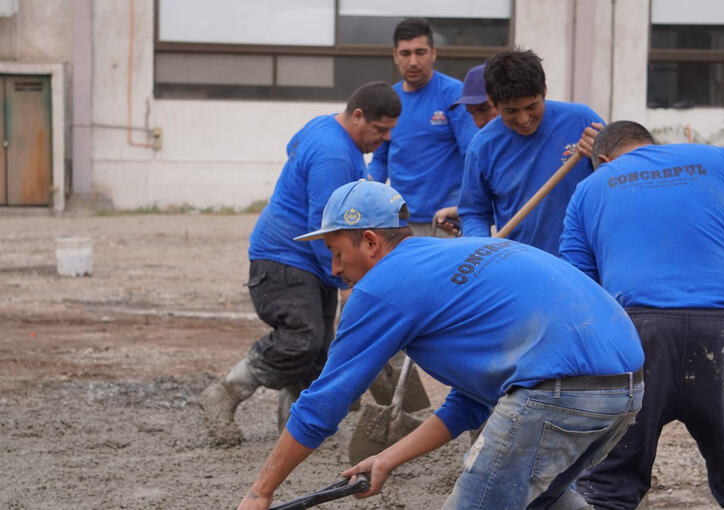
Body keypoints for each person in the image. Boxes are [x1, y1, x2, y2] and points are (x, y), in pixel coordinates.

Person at [237, 179, 645, 509]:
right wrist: (388, 458)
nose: (334, 268)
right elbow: (471, 402)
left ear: (370, 242)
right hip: (625, 389)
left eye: (336, 251)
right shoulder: (446, 258)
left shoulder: (382, 286)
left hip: (559, 393)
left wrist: (260, 492)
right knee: (543, 501)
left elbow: (323, 404)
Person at [559, 121, 724, 510]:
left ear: (605, 160)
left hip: (637, 331)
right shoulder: (722, 159)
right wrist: (713, 280)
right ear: (649, 144)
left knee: (609, 479)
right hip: (723, 328)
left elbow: (580, 289)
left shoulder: (590, 187)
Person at [199, 82, 401, 447]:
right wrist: (347, 282)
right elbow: (324, 228)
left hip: (307, 258)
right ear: (358, 116)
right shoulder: (334, 154)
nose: (385, 139)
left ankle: (292, 428)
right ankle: (225, 393)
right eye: (380, 129)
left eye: (389, 131)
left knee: (317, 347)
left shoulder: (326, 127)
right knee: (302, 339)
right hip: (284, 257)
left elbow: (293, 149)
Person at [458, 49, 603, 256]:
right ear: (492, 101)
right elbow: (474, 213)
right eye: (511, 111)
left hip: (584, 259)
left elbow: (618, 179)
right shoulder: (482, 146)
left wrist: (604, 157)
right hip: (523, 261)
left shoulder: (583, 121)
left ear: (544, 90)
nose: (524, 119)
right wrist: (480, 247)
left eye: (531, 107)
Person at [367, 18, 479, 237]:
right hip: (400, 220)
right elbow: (380, 159)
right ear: (395, 55)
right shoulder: (390, 99)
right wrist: (366, 192)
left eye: (420, 52)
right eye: (405, 53)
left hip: (445, 221)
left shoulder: (454, 94)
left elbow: (472, 156)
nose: (413, 61)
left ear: (433, 53)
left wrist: (468, 208)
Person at [433, 63, 499, 236]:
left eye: (484, 109)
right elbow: (478, 211)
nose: (479, 122)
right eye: (472, 114)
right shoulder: (481, 148)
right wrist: (464, 216)